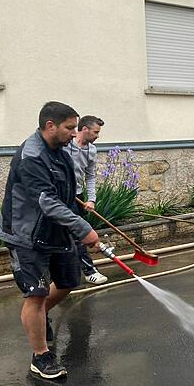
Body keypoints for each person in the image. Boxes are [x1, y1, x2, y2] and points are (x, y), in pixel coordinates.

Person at [0, 101, 100, 379]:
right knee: (36, 292)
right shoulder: (31, 156)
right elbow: (47, 202)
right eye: (69, 128)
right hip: (26, 234)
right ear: (50, 126)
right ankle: (41, 357)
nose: (74, 133)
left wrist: (76, 214)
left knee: (68, 281)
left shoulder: (60, 150)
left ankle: (39, 317)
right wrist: (84, 229)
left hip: (55, 230)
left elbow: (64, 194)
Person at [65, 115, 107, 285]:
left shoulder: (92, 150)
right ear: (84, 129)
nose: (97, 135)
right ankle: (88, 271)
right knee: (73, 235)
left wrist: (92, 199)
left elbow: (90, 176)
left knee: (78, 235)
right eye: (96, 132)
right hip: (61, 197)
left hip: (78, 196)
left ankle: (87, 271)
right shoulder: (66, 145)